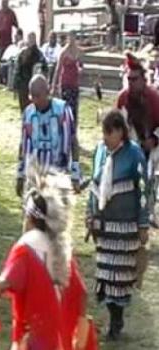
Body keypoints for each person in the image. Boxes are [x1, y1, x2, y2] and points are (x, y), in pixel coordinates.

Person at [0, 161, 98, 350]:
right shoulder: (61, 248)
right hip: (61, 342)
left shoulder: (26, 248)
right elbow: (81, 294)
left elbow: (7, 282)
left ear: (30, 218)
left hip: (35, 341)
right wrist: (80, 336)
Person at [86, 109, 149, 341]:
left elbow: (144, 189)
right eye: (103, 133)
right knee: (105, 275)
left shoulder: (134, 155)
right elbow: (94, 187)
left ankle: (116, 322)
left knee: (119, 279)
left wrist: (143, 224)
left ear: (120, 132)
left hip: (126, 227)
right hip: (104, 226)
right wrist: (89, 216)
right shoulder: (100, 151)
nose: (105, 138)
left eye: (109, 133)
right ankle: (114, 317)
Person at [16, 74, 81, 197]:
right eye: (32, 96)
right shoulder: (28, 113)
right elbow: (23, 144)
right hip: (35, 177)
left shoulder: (62, 110)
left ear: (48, 91)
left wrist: (75, 174)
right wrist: (20, 175)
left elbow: (73, 141)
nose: (35, 100)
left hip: (59, 175)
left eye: (38, 96)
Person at [117, 53, 159, 154]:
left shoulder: (153, 97)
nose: (131, 82)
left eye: (134, 79)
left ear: (144, 80)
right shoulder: (123, 98)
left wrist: (154, 139)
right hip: (129, 147)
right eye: (129, 79)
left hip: (153, 149)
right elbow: (116, 125)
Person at [14, 32, 48, 112]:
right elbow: (18, 70)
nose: (31, 41)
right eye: (29, 39)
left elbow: (45, 68)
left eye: (32, 39)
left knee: (33, 108)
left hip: (34, 85)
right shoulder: (22, 54)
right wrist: (16, 85)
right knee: (24, 108)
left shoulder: (39, 54)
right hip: (23, 84)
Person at [0, 0, 19, 84]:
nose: (4, 4)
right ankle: (0, 78)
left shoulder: (11, 13)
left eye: (5, 2)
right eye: (3, 2)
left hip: (9, 41)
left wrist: (17, 38)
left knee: (8, 59)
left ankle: (7, 77)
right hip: (0, 41)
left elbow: (17, 26)